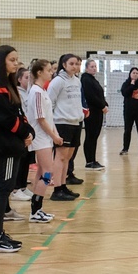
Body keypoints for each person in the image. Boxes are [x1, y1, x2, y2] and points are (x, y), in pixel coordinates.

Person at [0, 46, 31, 253]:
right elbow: (6, 119)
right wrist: (24, 133)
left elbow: (18, 113)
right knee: (3, 189)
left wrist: (29, 131)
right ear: (1, 61)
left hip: (14, 144)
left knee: (5, 188)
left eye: (17, 59)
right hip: (6, 146)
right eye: (12, 59)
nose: (16, 63)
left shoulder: (8, 84)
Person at [25, 59, 61, 222]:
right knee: (48, 172)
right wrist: (53, 136)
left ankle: (37, 209)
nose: (51, 72)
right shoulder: (36, 92)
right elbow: (40, 119)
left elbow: (49, 117)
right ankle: (35, 210)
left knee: (41, 172)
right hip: (40, 137)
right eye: (48, 70)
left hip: (46, 137)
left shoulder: (42, 90)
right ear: (39, 72)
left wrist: (55, 134)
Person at [47, 54, 84, 203]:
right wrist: (52, 126)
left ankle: (63, 186)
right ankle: (56, 189)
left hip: (75, 123)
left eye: (77, 64)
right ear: (64, 64)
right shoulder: (58, 81)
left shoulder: (77, 81)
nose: (75, 66)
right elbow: (49, 103)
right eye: (71, 64)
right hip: (62, 123)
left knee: (67, 158)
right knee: (60, 157)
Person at [80, 58, 108, 170]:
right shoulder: (85, 79)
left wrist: (105, 104)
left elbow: (99, 94)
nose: (94, 68)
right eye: (92, 66)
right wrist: (102, 106)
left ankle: (93, 159)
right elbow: (91, 96)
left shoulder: (93, 79)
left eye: (95, 66)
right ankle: (89, 162)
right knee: (90, 136)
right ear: (86, 68)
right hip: (92, 112)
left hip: (98, 112)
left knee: (94, 137)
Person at [120, 67, 138, 155]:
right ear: (130, 74)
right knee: (127, 130)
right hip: (128, 112)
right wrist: (132, 85)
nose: (135, 74)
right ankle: (125, 149)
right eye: (133, 73)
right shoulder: (126, 84)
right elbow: (124, 93)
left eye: (137, 73)